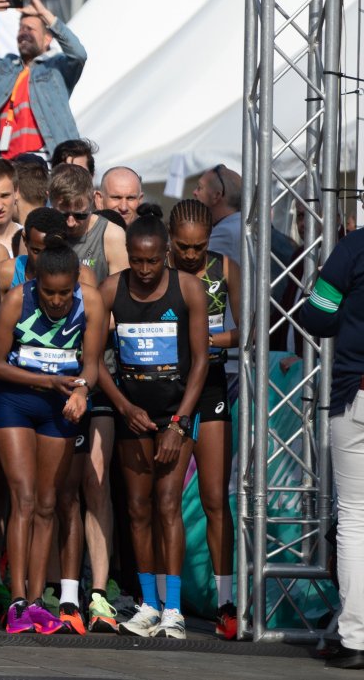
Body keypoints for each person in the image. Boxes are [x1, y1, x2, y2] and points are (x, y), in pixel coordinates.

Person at [0, 235, 104, 635]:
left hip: (61, 404)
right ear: (36, 282)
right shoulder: (17, 300)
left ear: (75, 283)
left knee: (48, 502)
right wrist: (47, 380)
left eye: (64, 293)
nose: (56, 301)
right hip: (15, 402)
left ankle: (37, 600)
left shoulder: (91, 302)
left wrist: (82, 390)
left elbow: (92, 364)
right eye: (49, 292)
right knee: (23, 496)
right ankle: (17, 599)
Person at [99, 214, 208, 640]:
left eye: (152, 261)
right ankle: (148, 604)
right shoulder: (111, 289)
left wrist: (179, 423)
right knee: (137, 507)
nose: (144, 270)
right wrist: (123, 406)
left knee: (167, 504)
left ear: (166, 254)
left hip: (175, 415)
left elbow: (200, 361)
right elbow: (93, 360)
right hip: (133, 414)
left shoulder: (189, 288)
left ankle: (173, 609)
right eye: (137, 261)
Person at [167, 199, 241, 639]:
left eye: (200, 246)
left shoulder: (225, 267)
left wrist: (206, 339)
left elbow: (248, 330)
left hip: (211, 384)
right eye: (184, 247)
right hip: (167, 389)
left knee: (215, 498)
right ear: (171, 240)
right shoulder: (157, 267)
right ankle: (165, 601)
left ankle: (225, 601)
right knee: (166, 499)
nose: (192, 255)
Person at [298, 222, 364, 668]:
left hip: (357, 394)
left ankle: (356, 638)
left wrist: (351, 313)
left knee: (356, 518)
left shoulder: (354, 248)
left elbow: (317, 315)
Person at [0, 0, 87, 158]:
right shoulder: (6, 69)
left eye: (31, 29)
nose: (24, 33)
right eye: (21, 28)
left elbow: (79, 54)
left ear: (47, 39)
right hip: (8, 164)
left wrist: (43, 12)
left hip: (47, 160)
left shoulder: (57, 68)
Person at [51, 165, 127, 285]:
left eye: (80, 215)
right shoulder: (41, 231)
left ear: (92, 199)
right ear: (50, 201)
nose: (70, 223)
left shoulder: (111, 235)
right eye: (63, 214)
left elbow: (119, 291)